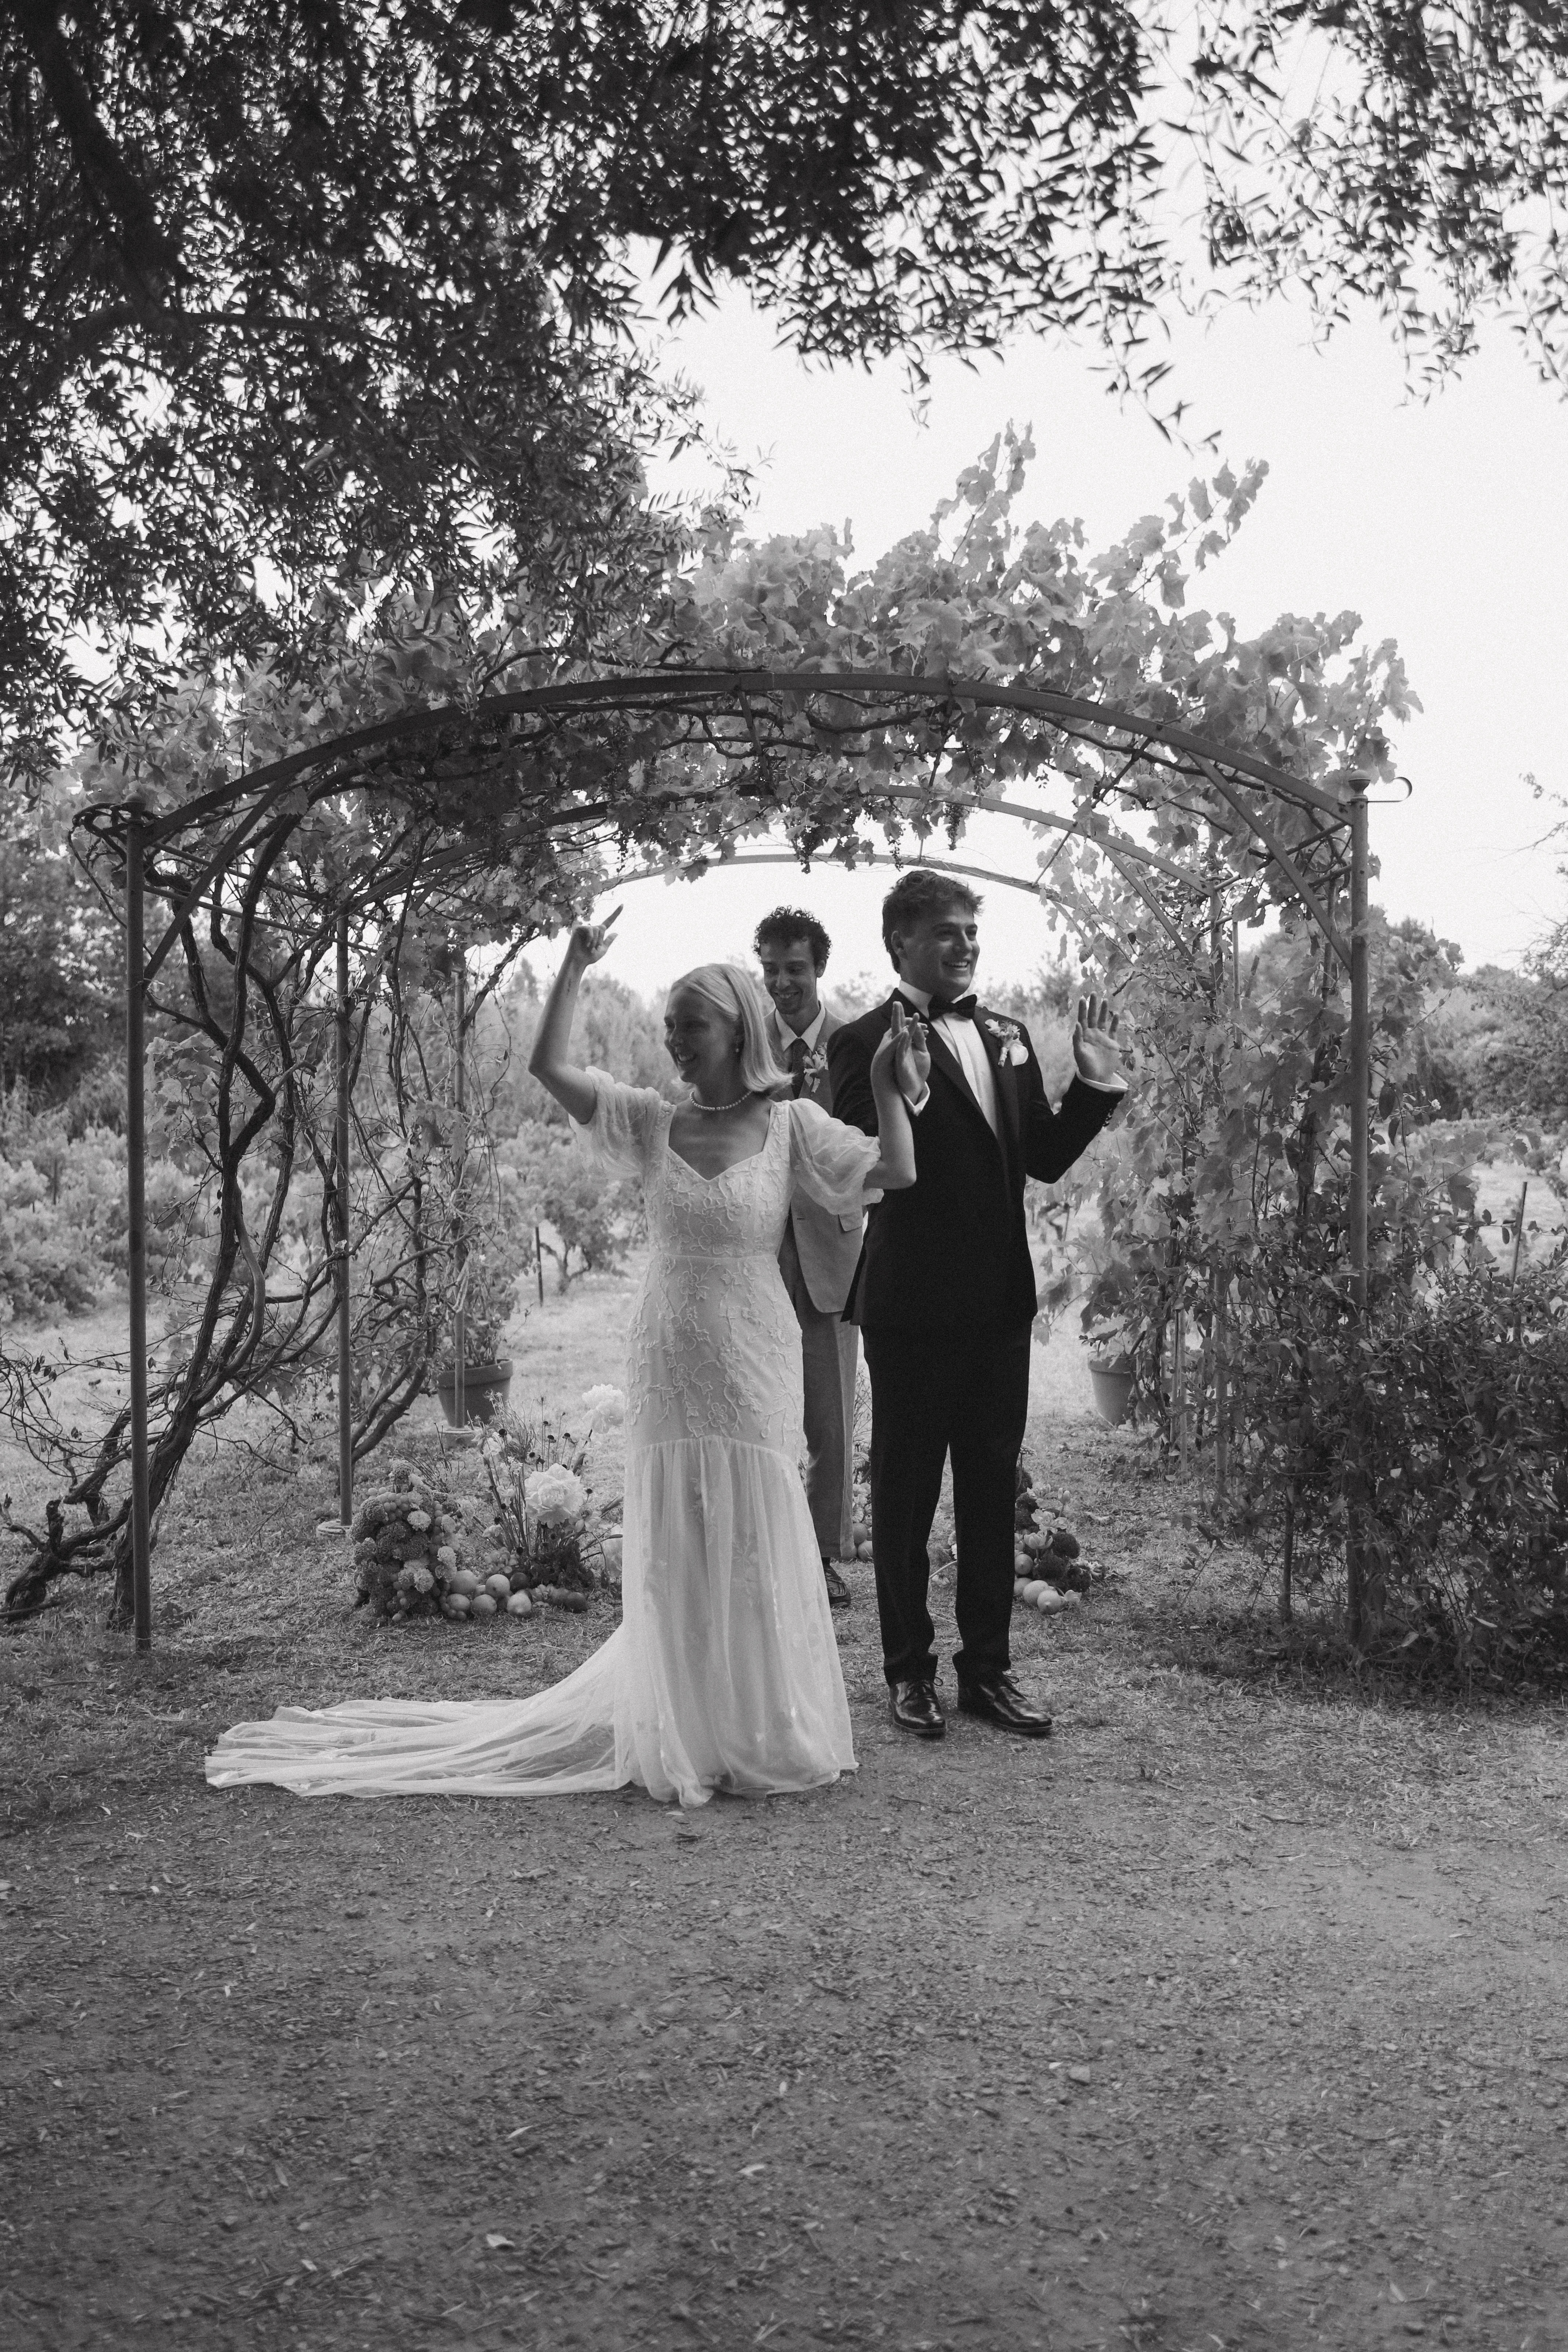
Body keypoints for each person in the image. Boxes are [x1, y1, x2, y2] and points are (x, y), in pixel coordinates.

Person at [206, 914, 925, 1811]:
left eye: (688, 1025)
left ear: (737, 1030)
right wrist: (572, 969)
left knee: (752, 1528)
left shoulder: (792, 1128)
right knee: (682, 1535)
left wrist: (895, 1087)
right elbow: (550, 1070)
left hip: (754, 1349)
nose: (672, 1039)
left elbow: (896, 1170)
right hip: (669, 1348)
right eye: (668, 1025)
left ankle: (760, 1724)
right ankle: (684, 1725)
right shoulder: (649, 1121)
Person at [829, 872, 1127, 1743]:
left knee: (992, 1491)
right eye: (946, 933)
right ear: (900, 946)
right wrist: (907, 1092)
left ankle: (987, 1672)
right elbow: (864, 1160)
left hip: (999, 1303)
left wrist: (1093, 1089)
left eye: (970, 932)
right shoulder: (860, 1042)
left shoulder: (1007, 1035)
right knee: (907, 1494)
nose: (964, 944)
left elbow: (1039, 1156)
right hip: (910, 1305)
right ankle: (907, 1673)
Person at [755, 906, 863, 1609]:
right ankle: (763, 1549)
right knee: (761, 1408)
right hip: (756, 1246)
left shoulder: (856, 1040)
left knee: (830, 1415)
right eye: (770, 970)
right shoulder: (744, 1041)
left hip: (834, 1246)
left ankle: (823, 1555)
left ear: (818, 967)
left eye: (794, 969)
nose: (782, 983)